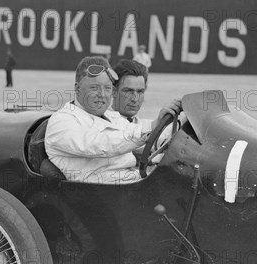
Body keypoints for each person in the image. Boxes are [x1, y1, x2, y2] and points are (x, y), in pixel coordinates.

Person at [45, 55, 181, 184]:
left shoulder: (112, 117)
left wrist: (176, 126)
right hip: (100, 194)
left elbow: (137, 134)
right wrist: (152, 127)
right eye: (94, 88)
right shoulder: (62, 121)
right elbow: (99, 144)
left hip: (133, 182)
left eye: (107, 88)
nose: (102, 95)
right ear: (77, 89)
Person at [110, 59, 148, 123]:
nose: (135, 99)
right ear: (113, 91)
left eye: (140, 92)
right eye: (128, 91)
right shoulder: (96, 125)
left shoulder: (146, 127)